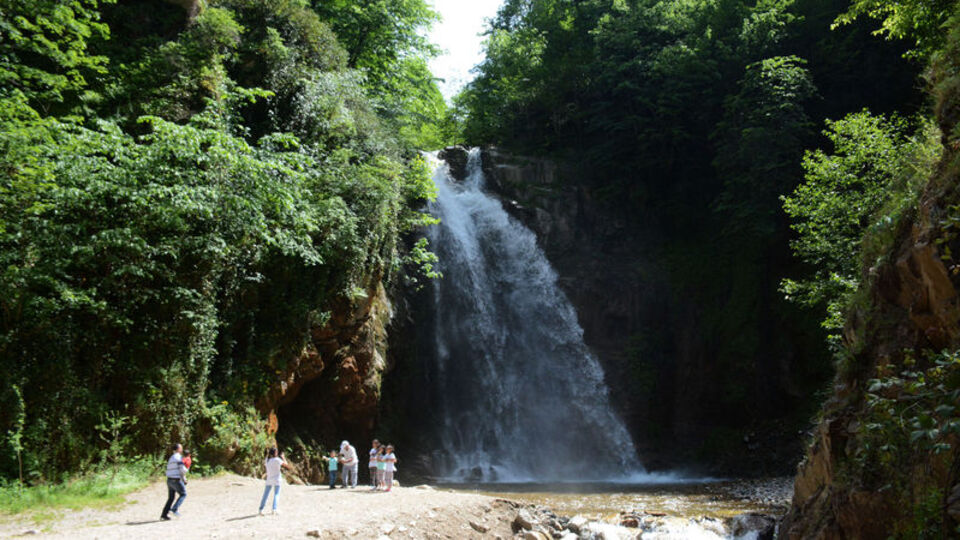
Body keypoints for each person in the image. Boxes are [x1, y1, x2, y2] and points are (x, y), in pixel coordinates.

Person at [259, 447, 290, 515]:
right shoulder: (277, 460)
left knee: (265, 495)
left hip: (269, 479)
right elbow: (287, 466)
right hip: (277, 479)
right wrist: (283, 457)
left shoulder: (267, 460)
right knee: (276, 494)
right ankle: (274, 509)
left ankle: (261, 509)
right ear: (275, 453)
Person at [160, 443, 187, 520]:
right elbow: (182, 469)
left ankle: (164, 514)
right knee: (183, 494)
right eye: (181, 448)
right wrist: (186, 470)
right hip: (176, 479)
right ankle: (174, 509)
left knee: (171, 498)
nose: (182, 449)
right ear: (178, 449)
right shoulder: (178, 457)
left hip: (169, 480)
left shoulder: (171, 457)